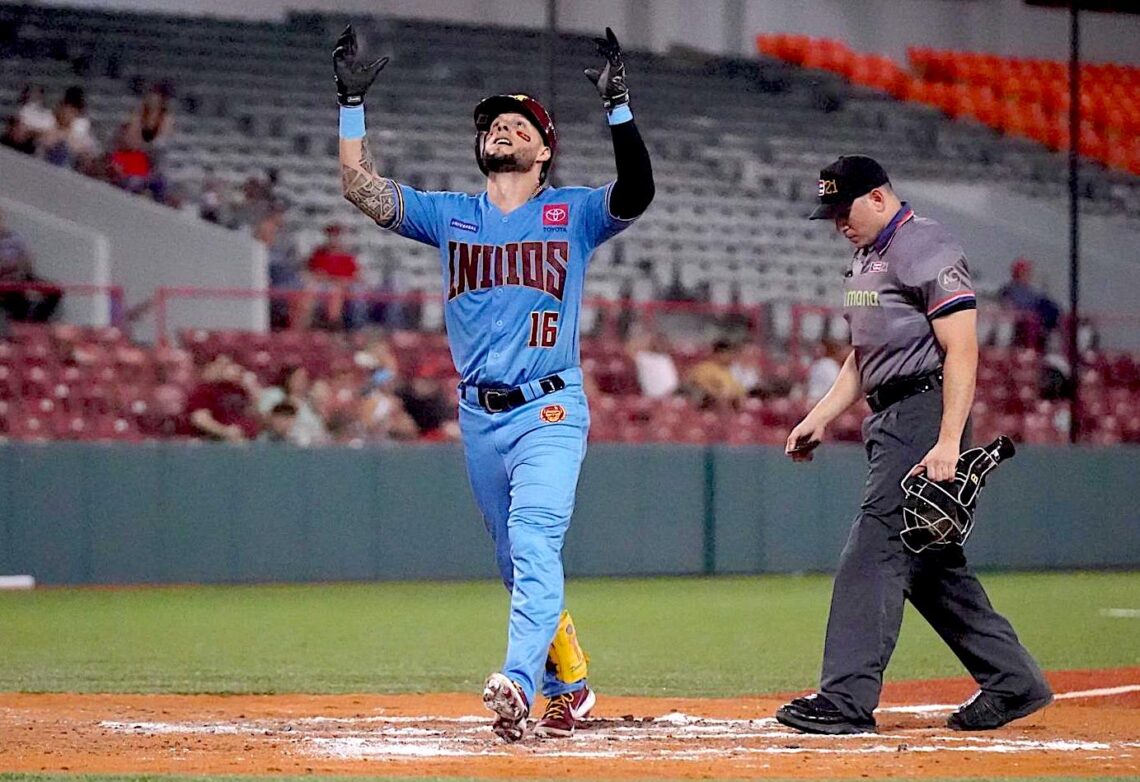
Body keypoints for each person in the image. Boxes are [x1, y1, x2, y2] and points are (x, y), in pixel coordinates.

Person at [334, 24, 653, 740]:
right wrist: (351, 105)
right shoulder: (455, 216)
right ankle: (571, 684)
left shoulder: (571, 213)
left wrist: (620, 109)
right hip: (480, 416)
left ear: (543, 152)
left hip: (549, 408)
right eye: (493, 124)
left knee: (535, 542)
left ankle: (515, 679)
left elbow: (637, 190)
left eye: (519, 125)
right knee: (515, 562)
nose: (503, 129)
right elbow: (361, 188)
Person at [774, 155, 1051, 735]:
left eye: (842, 209)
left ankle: (845, 700)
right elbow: (865, 354)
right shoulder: (868, 255)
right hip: (891, 415)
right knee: (928, 563)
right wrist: (821, 415)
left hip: (924, 412)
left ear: (877, 197)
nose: (836, 223)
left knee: (873, 548)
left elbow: (963, 348)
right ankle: (1014, 681)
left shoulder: (925, 244)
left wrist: (949, 439)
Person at [0, 208, 62, 323]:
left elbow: (27, 257)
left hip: (20, 275)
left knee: (54, 290)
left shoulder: (14, 236)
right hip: (4, 280)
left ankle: (38, 321)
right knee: (16, 295)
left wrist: (23, 272)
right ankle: (18, 325)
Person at [998, 257, 1060, 348]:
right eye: (1026, 271)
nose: (1029, 274)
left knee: (1052, 310)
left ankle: (1052, 347)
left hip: (1038, 318)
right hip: (1021, 321)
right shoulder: (1009, 290)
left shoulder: (1032, 291)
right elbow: (1008, 305)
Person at [684, 339, 746, 409]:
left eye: (732, 353)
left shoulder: (729, 372)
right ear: (718, 354)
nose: (731, 357)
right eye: (728, 353)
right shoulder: (704, 369)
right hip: (710, 407)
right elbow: (702, 390)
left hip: (729, 407)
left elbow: (739, 392)